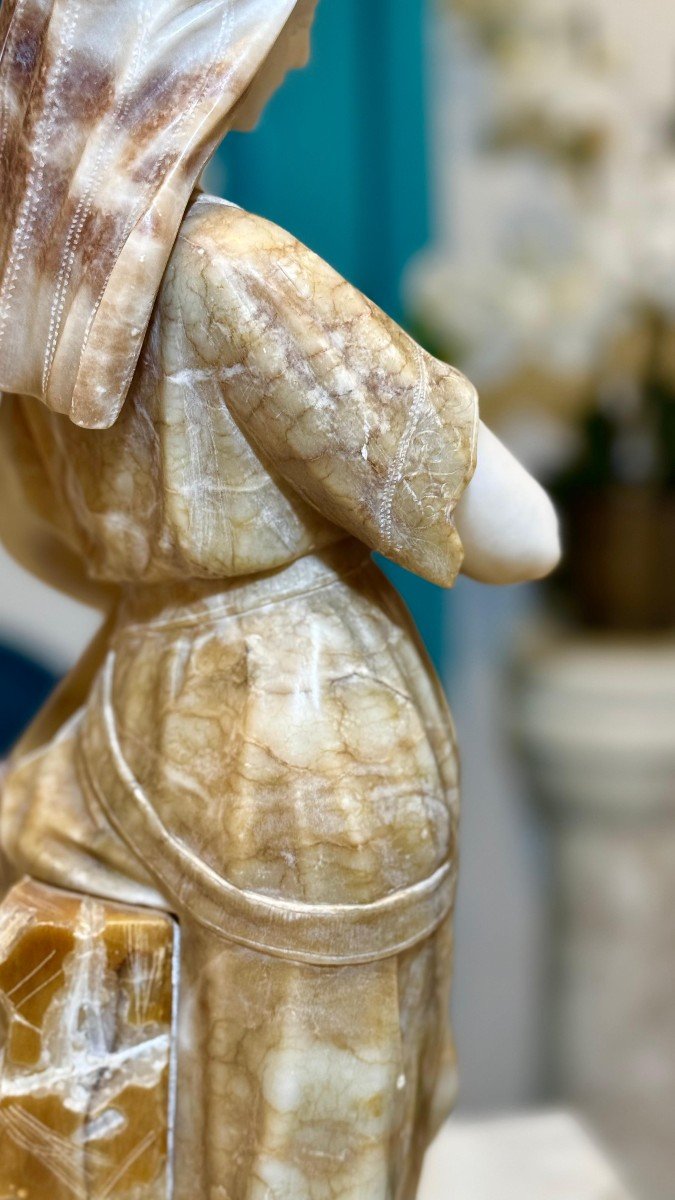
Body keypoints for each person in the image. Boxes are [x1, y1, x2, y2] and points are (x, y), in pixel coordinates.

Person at [0, 1, 559, 1196]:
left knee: (105, 1125)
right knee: (304, 1146)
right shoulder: (238, 271)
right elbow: (520, 534)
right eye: (282, 19)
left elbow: (43, 542)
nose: (300, 48)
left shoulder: (29, 270)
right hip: (301, 766)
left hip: (125, 721)